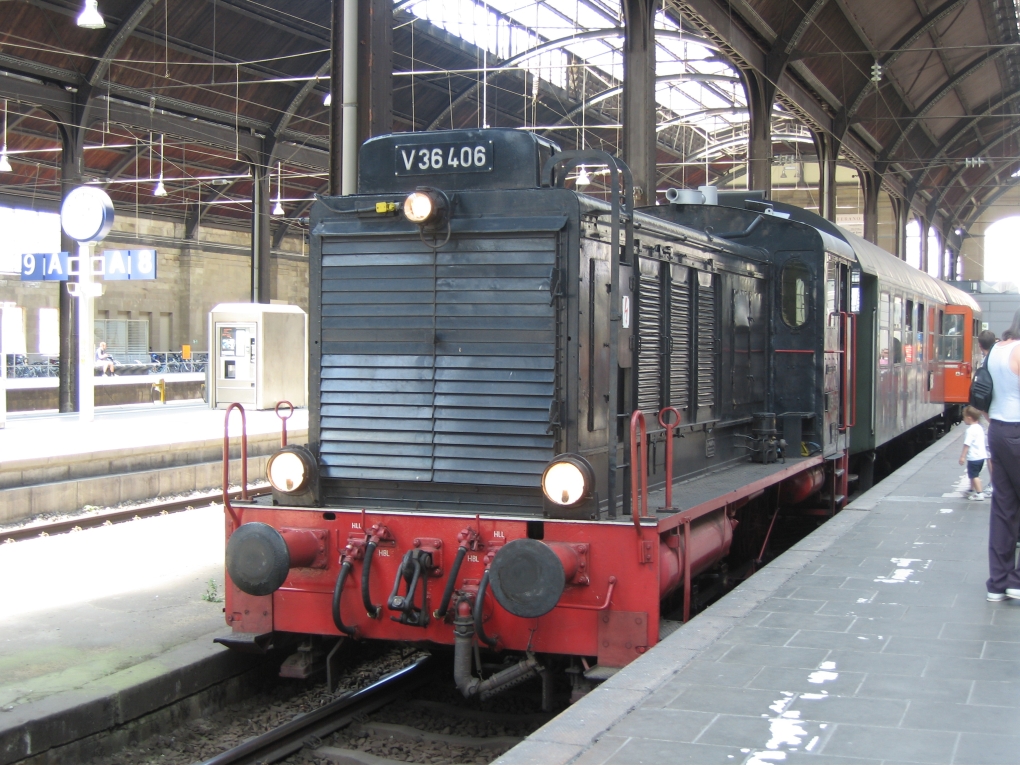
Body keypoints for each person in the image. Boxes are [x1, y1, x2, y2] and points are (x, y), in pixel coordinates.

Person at [983, 308, 1020, 602]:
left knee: (1003, 507)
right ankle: (1017, 581)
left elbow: (984, 393)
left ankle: (998, 582)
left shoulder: (996, 349)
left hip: (996, 429)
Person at [959, 406, 987, 500]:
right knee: (972, 474)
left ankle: (979, 493)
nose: (963, 419)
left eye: (964, 417)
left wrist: (962, 456)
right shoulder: (979, 427)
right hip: (981, 456)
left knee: (974, 476)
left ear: (969, 418)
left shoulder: (970, 430)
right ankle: (971, 490)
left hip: (974, 457)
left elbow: (967, 444)